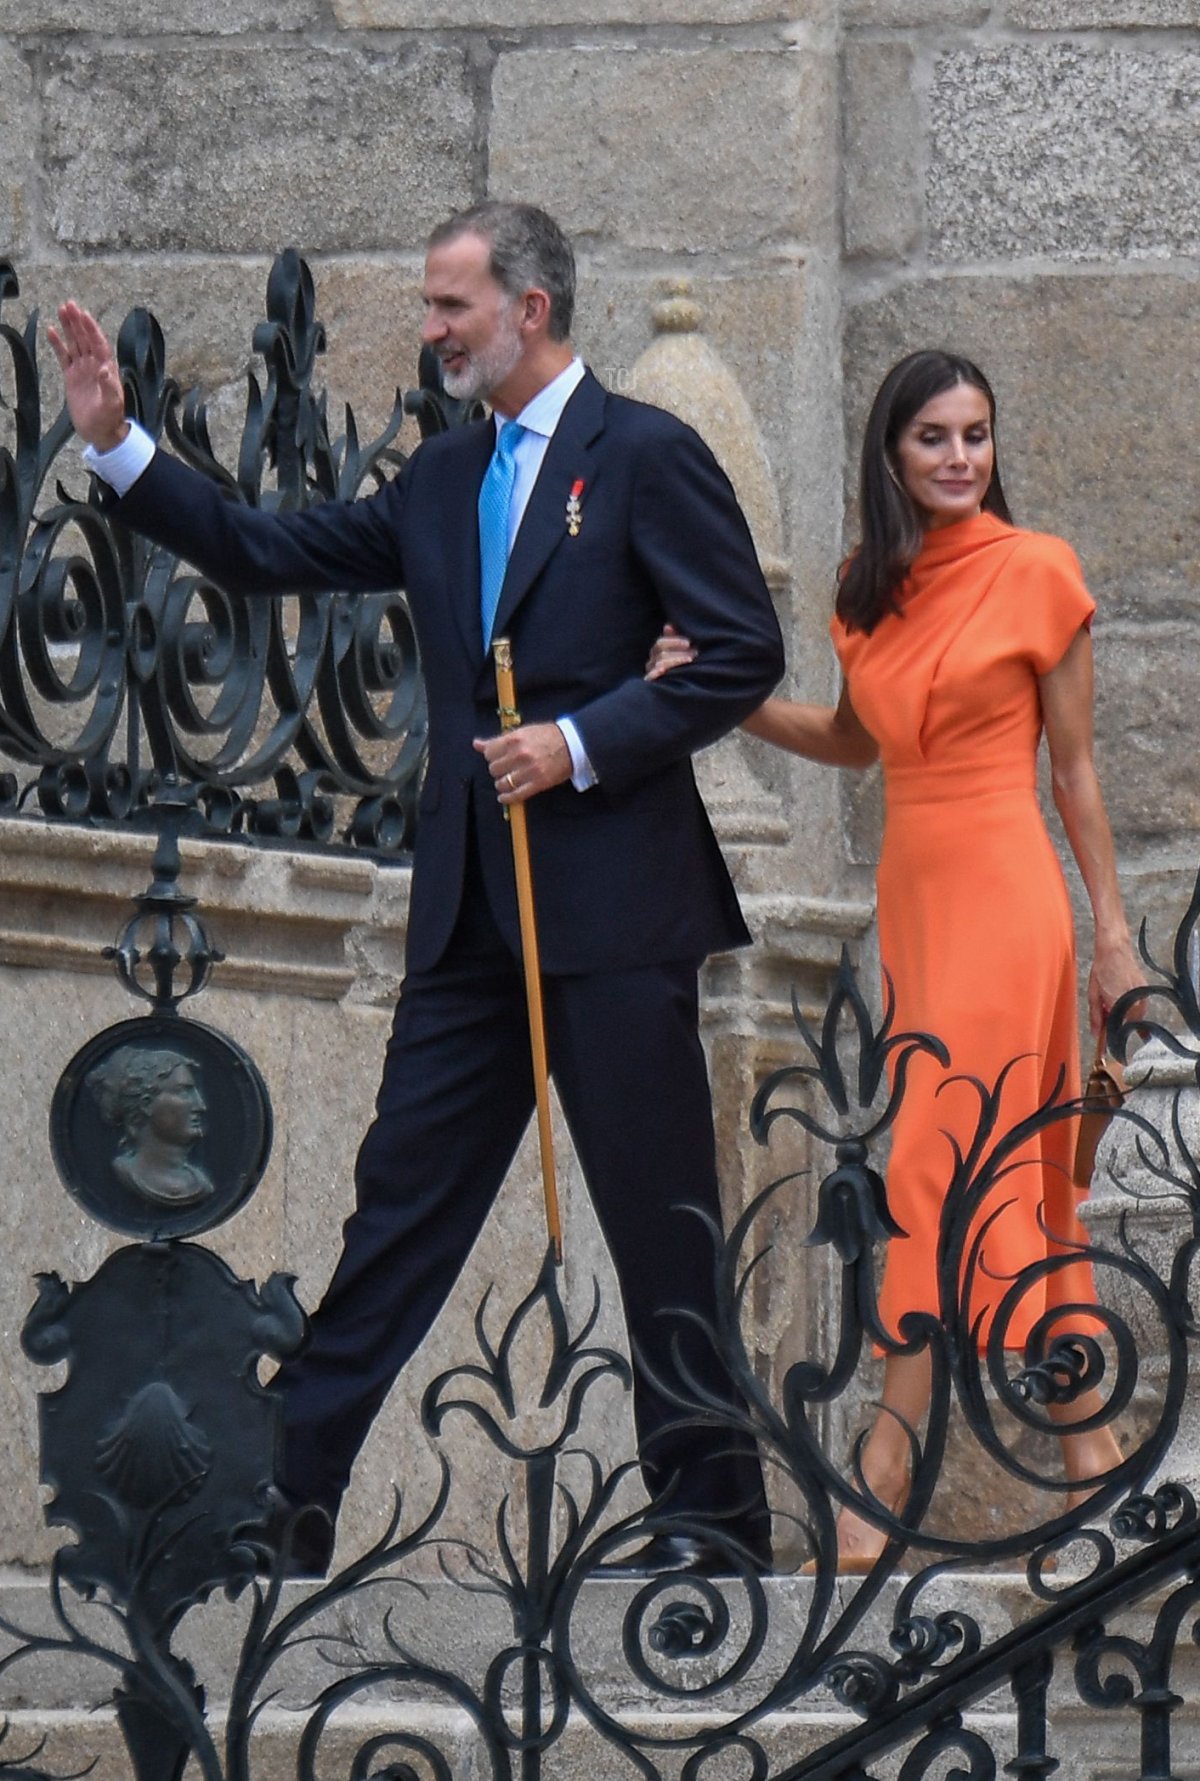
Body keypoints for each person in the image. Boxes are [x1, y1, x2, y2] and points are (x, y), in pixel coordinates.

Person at [49, 202, 783, 1577]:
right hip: (468, 922)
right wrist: (116, 443)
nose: (429, 330)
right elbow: (275, 550)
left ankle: (713, 1521)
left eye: (450, 306)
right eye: (431, 306)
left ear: (532, 308)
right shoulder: (444, 484)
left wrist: (573, 745)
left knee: (662, 1224)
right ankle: (284, 1502)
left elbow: (742, 649)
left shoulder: (647, 457)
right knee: (395, 1213)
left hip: (620, 914)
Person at [648, 349, 1141, 1569]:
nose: (961, 457)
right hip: (914, 906)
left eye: (977, 433)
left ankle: (884, 1467)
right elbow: (854, 742)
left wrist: (1115, 937)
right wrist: (726, 696)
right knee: (996, 1173)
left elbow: (1073, 774)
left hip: (1009, 897)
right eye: (935, 436)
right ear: (893, 454)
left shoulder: (1041, 573)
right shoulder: (867, 592)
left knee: (941, 1163)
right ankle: (1088, 1448)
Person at [89, 1046, 214, 1207]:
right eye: (184, 1092)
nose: (200, 1105)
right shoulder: (127, 1173)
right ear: (146, 1103)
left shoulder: (201, 1183)